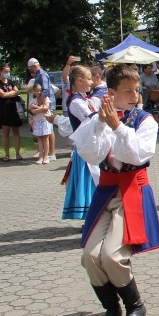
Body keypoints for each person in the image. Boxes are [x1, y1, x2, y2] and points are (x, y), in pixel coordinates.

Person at [71, 64, 159, 316]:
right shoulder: (96, 119)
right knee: (90, 255)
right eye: (128, 91)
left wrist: (118, 127)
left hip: (132, 190)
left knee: (112, 255)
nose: (135, 95)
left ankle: (135, 305)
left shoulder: (145, 120)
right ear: (110, 94)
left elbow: (138, 155)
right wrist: (102, 123)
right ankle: (111, 309)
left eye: (137, 90)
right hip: (107, 190)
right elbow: (91, 154)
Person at [62, 66, 97, 219]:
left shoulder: (83, 99)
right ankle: (90, 217)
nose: (91, 82)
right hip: (85, 149)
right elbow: (91, 120)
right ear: (79, 80)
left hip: (91, 146)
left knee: (94, 182)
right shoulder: (76, 102)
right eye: (89, 79)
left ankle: (94, 216)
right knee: (90, 182)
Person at [0, 64, 23, 161]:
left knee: (16, 132)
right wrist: (11, 93)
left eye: (8, 72)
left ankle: (18, 153)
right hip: (3, 110)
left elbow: (17, 92)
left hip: (14, 109)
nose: (7, 73)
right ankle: (7, 155)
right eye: (5, 71)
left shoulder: (11, 82)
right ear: (0, 71)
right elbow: (2, 95)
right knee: (5, 132)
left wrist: (9, 94)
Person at [27, 58, 56, 161]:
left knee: (49, 130)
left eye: (31, 68)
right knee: (45, 132)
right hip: (42, 104)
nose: (31, 70)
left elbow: (44, 90)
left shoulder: (42, 74)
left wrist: (40, 105)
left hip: (46, 103)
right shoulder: (40, 74)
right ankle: (46, 153)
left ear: (34, 66)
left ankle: (51, 153)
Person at [29, 83, 53, 164]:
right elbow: (32, 110)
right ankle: (41, 156)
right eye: (37, 91)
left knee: (45, 138)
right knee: (39, 138)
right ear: (34, 91)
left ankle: (46, 156)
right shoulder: (33, 100)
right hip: (37, 121)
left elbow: (46, 108)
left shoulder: (45, 98)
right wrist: (40, 108)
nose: (39, 92)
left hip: (45, 120)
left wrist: (37, 108)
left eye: (40, 91)